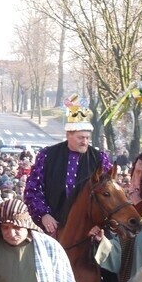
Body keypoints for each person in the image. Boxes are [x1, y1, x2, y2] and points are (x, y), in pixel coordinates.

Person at [24, 98, 112, 235]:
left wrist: (98, 224)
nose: (85, 142)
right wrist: (43, 214)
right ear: (68, 135)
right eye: (80, 137)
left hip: (88, 229)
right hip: (52, 226)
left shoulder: (99, 159)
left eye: (87, 138)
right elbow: (33, 189)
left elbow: (109, 195)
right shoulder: (47, 155)